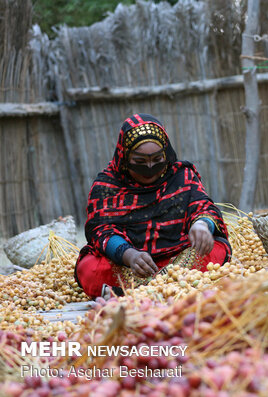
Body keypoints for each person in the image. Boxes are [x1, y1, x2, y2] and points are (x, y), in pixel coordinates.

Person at [74, 113, 231, 298]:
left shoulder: (181, 176)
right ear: (124, 158)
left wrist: (202, 224)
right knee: (89, 268)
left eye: (157, 160)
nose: (149, 168)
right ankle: (167, 287)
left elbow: (203, 206)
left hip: (179, 259)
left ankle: (129, 293)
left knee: (216, 250)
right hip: (129, 265)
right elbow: (101, 230)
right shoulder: (107, 187)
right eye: (140, 162)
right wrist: (129, 254)